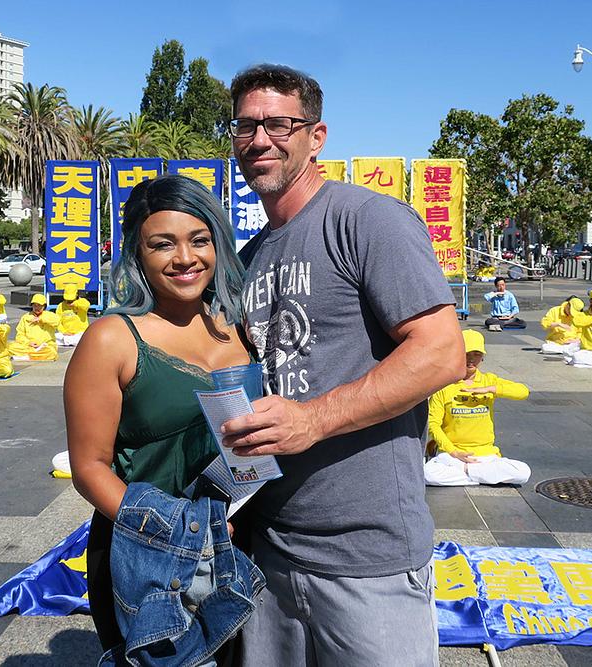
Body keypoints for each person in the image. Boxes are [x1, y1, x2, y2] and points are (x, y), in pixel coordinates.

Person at [218, 65, 464, 666]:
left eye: (279, 123)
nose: (260, 140)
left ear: (316, 136)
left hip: (367, 557)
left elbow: (441, 352)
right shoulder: (248, 256)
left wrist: (314, 420)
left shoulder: (367, 220)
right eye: (245, 126)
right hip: (270, 552)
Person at [64, 175, 254, 654]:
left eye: (200, 240)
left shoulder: (239, 326)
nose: (186, 258)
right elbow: (88, 468)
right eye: (163, 244)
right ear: (137, 255)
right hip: (148, 555)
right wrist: (178, 532)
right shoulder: (112, 338)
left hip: (238, 545)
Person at [425, 330, 531, 486]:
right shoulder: (444, 385)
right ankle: (484, 476)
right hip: (453, 455)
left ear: (483, 356)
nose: (471, 359)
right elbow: (433, 424)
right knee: (428, 474)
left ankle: (468, 473)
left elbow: (523, 392)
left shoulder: (489, 380)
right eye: (466, 353)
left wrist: (490, 389)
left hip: (486, 455)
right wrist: (453, 450)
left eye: (476, 354)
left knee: (523, 472)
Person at [9, 294, 59, 361]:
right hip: (29, 346)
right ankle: (32, 355)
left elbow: (57, 322)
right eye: (35, 305)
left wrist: (41, 319)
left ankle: (25, 357)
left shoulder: (50, 315)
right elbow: (20, 335)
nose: (37, 308)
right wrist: (28, 342)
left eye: (39, 306)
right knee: (10, 347)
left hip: (45, 346)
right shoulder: (25, 317)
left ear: (44, 306)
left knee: (51, 352)